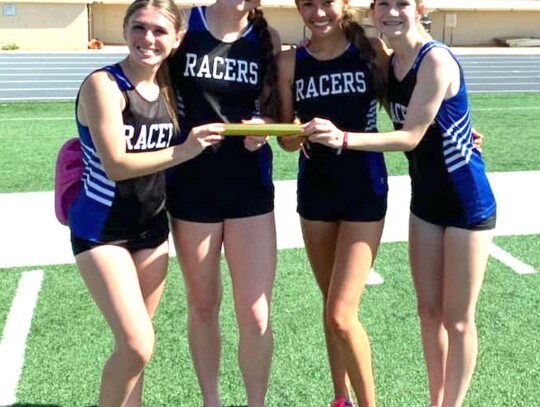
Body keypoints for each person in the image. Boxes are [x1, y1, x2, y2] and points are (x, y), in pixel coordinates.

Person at [302, 1, 497, 406]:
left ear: (420, 9)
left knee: (458, 320)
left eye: (401, 3)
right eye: (383, 4)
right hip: (425, 200)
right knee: (428, 312)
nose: (392, 12)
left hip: (467, 203)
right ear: (372, 11)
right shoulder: (389, 64)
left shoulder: (436, 60)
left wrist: (343, 138)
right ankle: (434, 399)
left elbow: (409, 137)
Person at [68, 0, 225, 405]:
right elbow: (117, 165)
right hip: (101, 231)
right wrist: (186, 150)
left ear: (176, 40)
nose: (148, 38)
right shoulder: (104, 85)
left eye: (159, 31)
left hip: (152, 230)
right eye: (139, 27)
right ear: (124, 29)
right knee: (137, 344)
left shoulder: (169, 87)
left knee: (138, 351)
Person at [166, 0, 281, 406]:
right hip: (191, 187)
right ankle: (211, 401)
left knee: (255, 314)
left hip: (249, 187)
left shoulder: (266, 37)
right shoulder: (184, 23)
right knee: (202, 306)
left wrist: (263, 129)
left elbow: (274, 113)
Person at [276, 0, 390, 406]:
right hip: (317, 191)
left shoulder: (372, 51)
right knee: (331, 308)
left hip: (365, 188)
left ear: (344, 5)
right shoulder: (291, 61)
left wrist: (459, 128)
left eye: (327, 2)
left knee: (342, 314)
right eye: (308, 3)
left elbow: (409, 105)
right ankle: (339, 397)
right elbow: (286, 141)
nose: (318, 11)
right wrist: (300, 132)